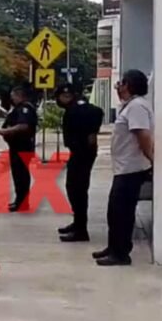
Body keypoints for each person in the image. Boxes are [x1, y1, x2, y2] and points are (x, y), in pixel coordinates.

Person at [93, 69, 154, 266]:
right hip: (124, 168)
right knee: (115, 212)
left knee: (122, 213)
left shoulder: (137, 107)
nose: (118, 87)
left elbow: (143, 135)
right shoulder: (130, 106)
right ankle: (114, 247)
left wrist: (151, 159)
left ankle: (120, 253)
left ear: (128, 85)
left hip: (132, 169)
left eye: (120, 83)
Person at [54, 82, 104, 242]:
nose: (60, 100)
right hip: (79, 153)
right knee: (74, 188)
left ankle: (81, 230)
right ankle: (77, 223)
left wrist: (92, 132)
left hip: (82, 153)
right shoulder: (74, 108)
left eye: (62, 96)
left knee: (78, 190)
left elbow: (98, 112)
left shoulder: (79, 108)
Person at [0, 86, 38, 212]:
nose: (12, 99)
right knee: (18, 175)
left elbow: (23, 126)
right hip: (17, 146)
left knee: (21, 175)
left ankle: (22, 203)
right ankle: (20, 201)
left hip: (22, 146)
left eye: (13, 96)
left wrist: (5, 131)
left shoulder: (25, 108)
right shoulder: (19, 108)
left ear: (19, 95)